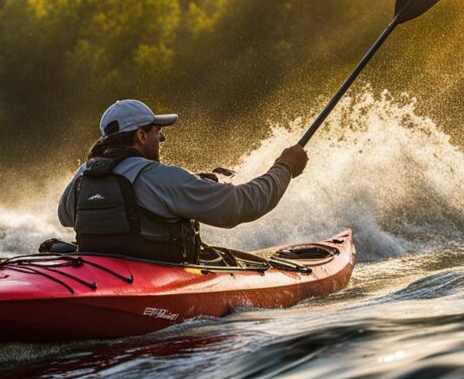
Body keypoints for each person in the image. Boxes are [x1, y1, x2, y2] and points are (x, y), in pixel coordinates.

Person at [57, 99, 308, 263]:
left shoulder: (83, 175)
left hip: (99, 274)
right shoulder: (162, 177)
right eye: (158, 131)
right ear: (141, 135)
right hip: (152, 282)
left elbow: (66, 217)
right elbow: (241, 205)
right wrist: (284, 167)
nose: (162, 138)